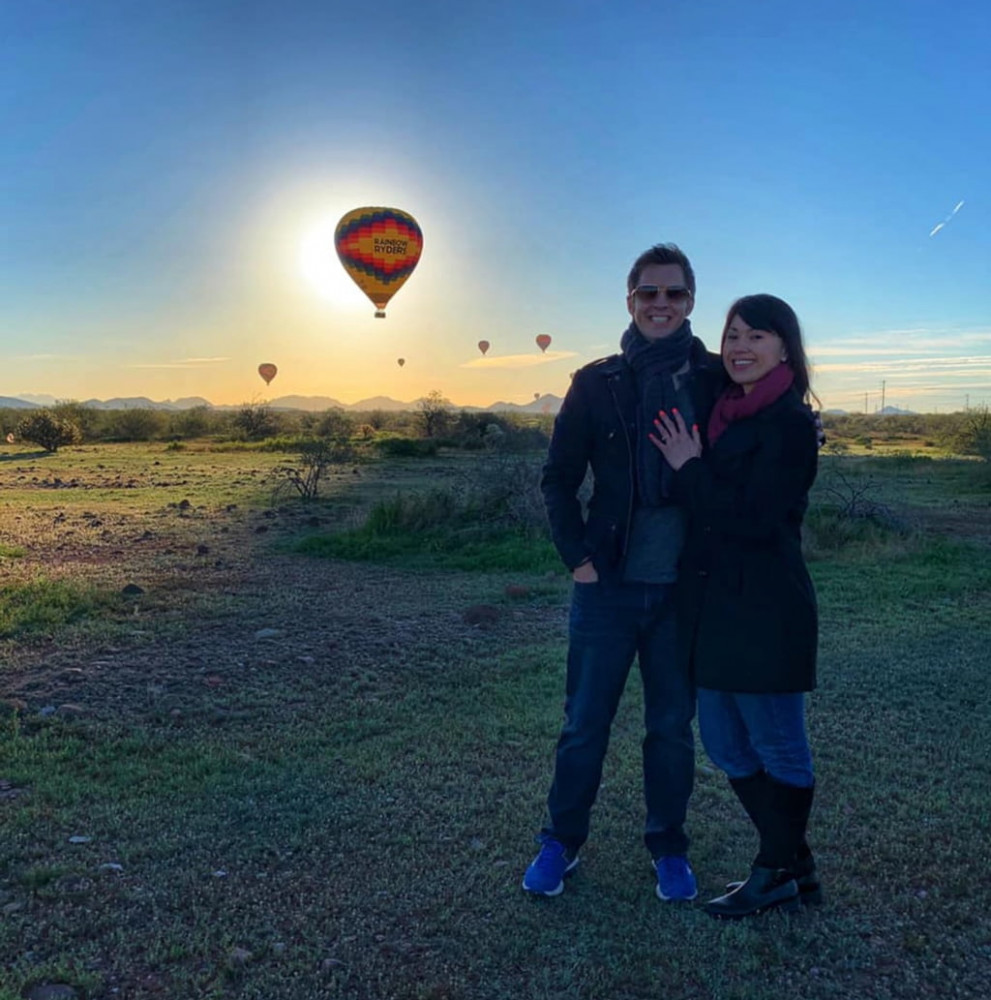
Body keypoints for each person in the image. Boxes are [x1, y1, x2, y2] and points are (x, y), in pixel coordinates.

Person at [522, 244, 726, 900]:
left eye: (673, 294)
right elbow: (557, 477)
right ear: (629, 301)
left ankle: (667, 846)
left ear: (691, 301)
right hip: (606, 584)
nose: (660, 304)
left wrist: (800, 428)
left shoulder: (716, 380)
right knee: (584, 723)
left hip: (681, 589)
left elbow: (760, 441)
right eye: (648, 293)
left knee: (669, 728)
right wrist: (575, 556)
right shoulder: (595, 382)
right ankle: (561, 842)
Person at [650, 293, 820, 918]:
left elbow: (750, 519)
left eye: (757, 336)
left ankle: (775, 869)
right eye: (733, 335)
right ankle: (793, 862)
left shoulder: (792, 426)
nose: (740, 347)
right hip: (711, 606)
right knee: (724, 744)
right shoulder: (718, 408)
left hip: (765, 609)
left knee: (778, 746)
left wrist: (690, 467)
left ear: (784, 347)